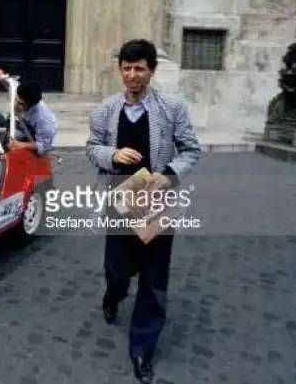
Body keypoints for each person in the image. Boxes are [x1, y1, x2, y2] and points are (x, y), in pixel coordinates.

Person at [86, 39, 201, 384]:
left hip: (156, 202)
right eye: (126, 68)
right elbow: (91, 147)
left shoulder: (172, 108)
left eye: (139, 68)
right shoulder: (105, 108)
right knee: (117, 268)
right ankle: (114, 293)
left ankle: (142, 348)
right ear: (119, 68)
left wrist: (168, 177)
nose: (132, 75)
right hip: (118, 202)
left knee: (153, 279)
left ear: (151, 70)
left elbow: (191, 150)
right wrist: (112, 155)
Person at [10, 81, 57, 156]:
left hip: (37, 145)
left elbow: (44, 147)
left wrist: (21, 144)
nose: (17, 105)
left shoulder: (44, 119)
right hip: (25, 128)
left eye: (21, 103)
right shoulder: (25, 101)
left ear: (32, 104)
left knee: (14, 138)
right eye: (16, 100)